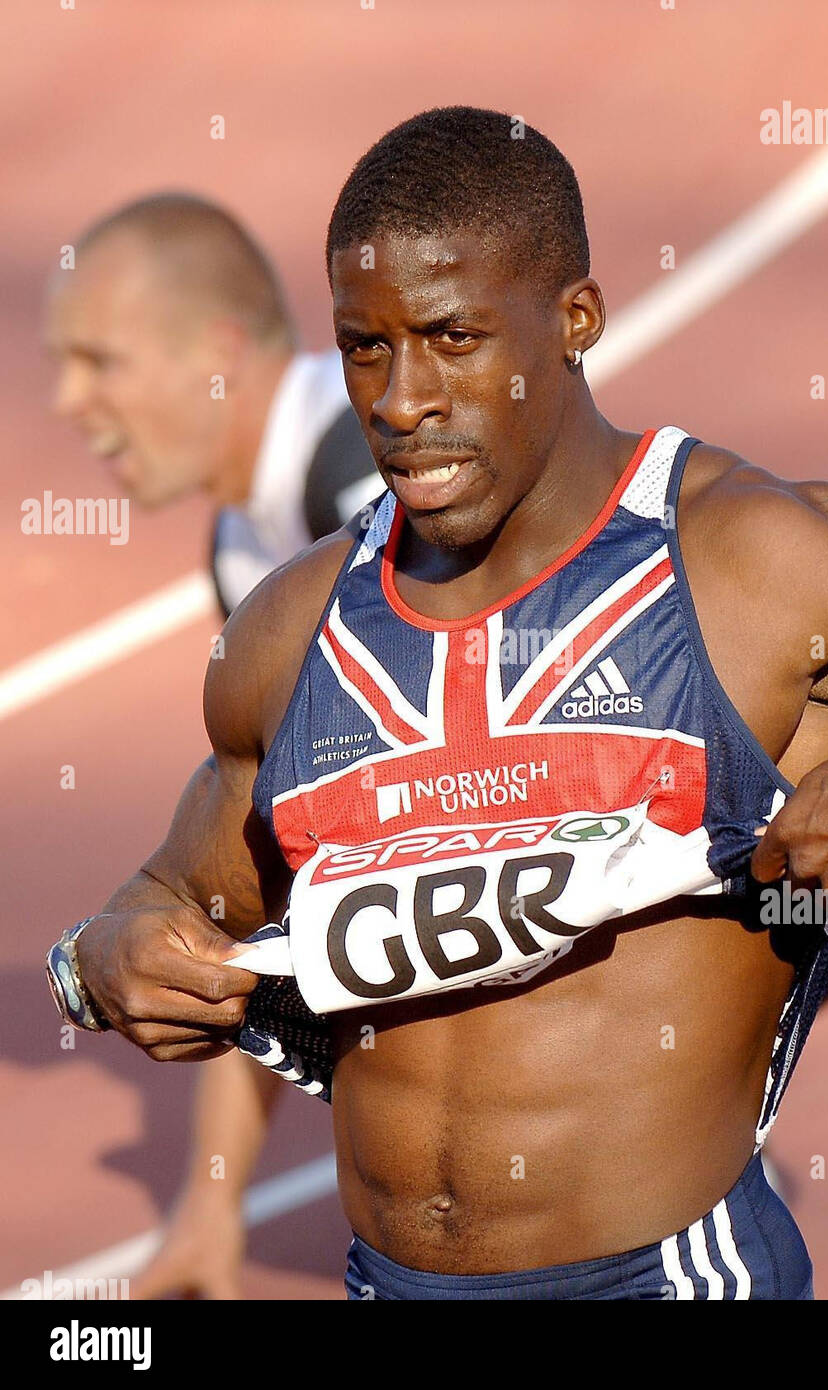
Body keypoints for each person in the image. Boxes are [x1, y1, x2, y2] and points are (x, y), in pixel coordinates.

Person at [47, 108, 828, 1300]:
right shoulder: (287, 629)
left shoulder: (764, 561)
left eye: (452, 337)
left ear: (576, 319)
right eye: (366, 348)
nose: (402, 400)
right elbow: (179, 893)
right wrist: (100, 957)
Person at [45, 193, 379, 1298]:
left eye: (100, 360)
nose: (68, 399)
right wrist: (210, 1203)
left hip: (751, 833)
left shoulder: (370, 465)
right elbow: (273, 862)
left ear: (221, 355)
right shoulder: (247, 549)